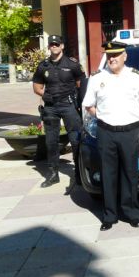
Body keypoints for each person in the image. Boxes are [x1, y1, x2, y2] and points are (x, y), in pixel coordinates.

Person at [83, 41, 139, 231]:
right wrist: (104, 116)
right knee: (108, 174)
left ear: (124, 56)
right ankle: (109, 215)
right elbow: (89, 105)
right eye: (109, 55)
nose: (112, 58)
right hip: (106, 132)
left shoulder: (136, 77)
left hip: (129, 131)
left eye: (116, 55)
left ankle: (132, 214)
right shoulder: (97, 78)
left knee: (130, 174)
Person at [32, 35, 84, 189]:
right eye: (51, 44)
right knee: (51, 142)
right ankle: (53, 174)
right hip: (50, 107)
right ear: (49, 47)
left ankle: (79, 174)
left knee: (76, 140)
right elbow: (36, 87)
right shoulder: (43, 66)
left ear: (62, 46)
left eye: (57, 44)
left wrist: (80, 103)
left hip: (68, 105)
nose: (54, 46)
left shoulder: (72, 64)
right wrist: (45, 95)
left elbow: (82, 84)